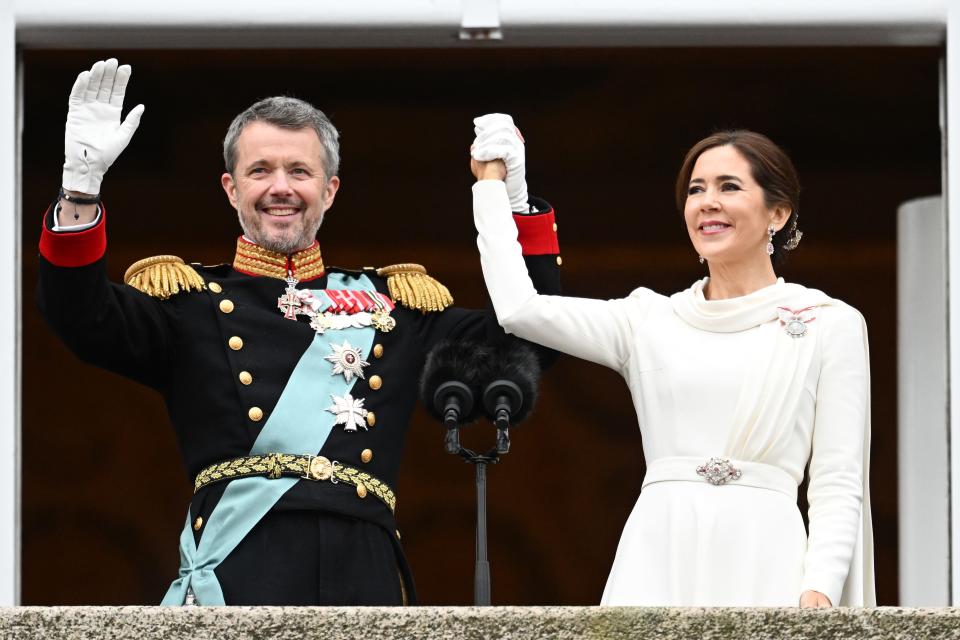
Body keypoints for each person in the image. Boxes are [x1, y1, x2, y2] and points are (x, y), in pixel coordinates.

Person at [36, 59, 561, 606]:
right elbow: (79, 315)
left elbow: (533, 340)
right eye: (259, 170)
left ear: (330, 190)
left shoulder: (398, 307)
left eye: (299, 172)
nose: (279, 188)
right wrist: (81, 189)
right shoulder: (188, 305)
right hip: (238, 576)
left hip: (365, 577)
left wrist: (517, 207)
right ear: (230, 188)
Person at [469, 121, 874, 607]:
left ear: (778, 212)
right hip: (658, 552)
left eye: (729, 187)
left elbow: (837, 479)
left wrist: (820, 591)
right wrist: (498, 190)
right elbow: (520, 310)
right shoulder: (648, 320)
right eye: (696, 190)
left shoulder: (830, 323)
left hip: (768, 555)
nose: (707, 202)